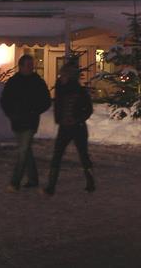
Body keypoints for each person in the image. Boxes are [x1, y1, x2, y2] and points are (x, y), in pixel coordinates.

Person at [0, 54, 51, 192]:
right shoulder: (13, 82)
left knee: (22, 151)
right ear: (21, 66)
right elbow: (5, 100)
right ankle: (33, 179)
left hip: (30, 121)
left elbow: (46, 100)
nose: (31, 67)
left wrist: (34, 110)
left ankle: (15, 182)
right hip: (17, 121)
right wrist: (11, 114)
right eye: (28, 65)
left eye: (31, 65)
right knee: (26, 150)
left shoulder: (37, 81)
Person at [43, 62, 95, 196]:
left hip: (77, 127)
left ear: (70, 76)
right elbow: (59, 106)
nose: (61, 77)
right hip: (65, 127)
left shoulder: (79, 91)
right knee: (57, 155)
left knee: (83, 154)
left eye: (63, 75)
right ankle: (51, 186)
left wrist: (78, 118)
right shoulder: (61, 88)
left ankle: (90, 181)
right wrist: (60, 119)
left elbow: (88, 109)